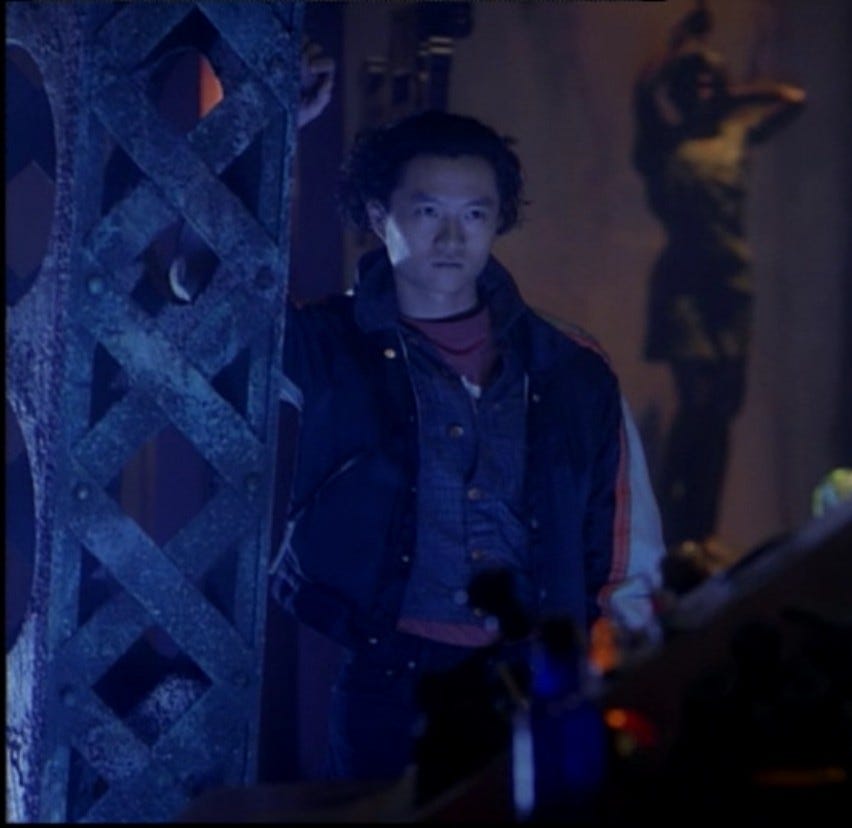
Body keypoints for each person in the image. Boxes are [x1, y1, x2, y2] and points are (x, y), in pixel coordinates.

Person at [268, 107, 664, 795]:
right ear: (379, 214)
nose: (451, 238)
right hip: (386, 677)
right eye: (427, 212)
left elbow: (622, 536)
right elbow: (218, 307)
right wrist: (275, 121)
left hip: (535, 680)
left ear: (497, 220)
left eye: (474, 215)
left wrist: (616, 660)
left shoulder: (567, 365)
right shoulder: (326, 344)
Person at [633, 2, 805, 553]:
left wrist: (732, 96)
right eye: (694, 83)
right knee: (697, 400)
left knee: (722, 410)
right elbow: (643, 90)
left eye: (711, 82)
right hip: (685, 285)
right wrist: (676, 44)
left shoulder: (734, 138)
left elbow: (792, 100)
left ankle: (704, 527)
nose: (703, 90)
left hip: (731, 286)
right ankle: (675, 521)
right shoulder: (662, 146)